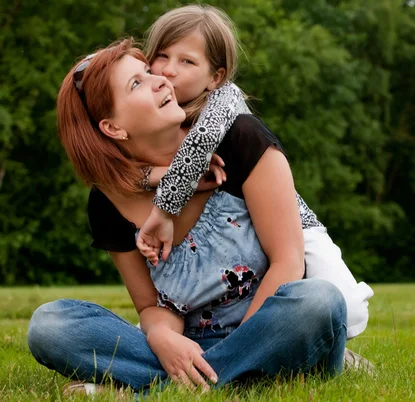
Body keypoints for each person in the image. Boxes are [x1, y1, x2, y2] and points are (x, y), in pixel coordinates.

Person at [27, 39, 347, 394]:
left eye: (148, 71)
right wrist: (163, 338)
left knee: (320, 302)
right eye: (137, 83)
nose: (161, 80)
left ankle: (155, 390)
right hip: (190, 346)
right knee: (50, 325)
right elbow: (150, 306)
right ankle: (233, 382)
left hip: (274, 330)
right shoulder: (108, 203)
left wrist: (248, 345)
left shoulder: (240, 138)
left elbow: (288, 263)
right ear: (113, 128)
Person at [136, 4, 374, 340]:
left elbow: (199, 146)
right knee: (181, 320)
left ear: (215, 76)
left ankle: (327, 349)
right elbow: (116, 168)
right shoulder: (155, 116)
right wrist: (148, 175)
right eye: (162, 56)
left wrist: (162, 208)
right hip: (230, 241)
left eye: (187, 61)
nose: (169, 70)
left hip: (290, 223)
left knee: (345, 308)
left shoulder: (223, 101)